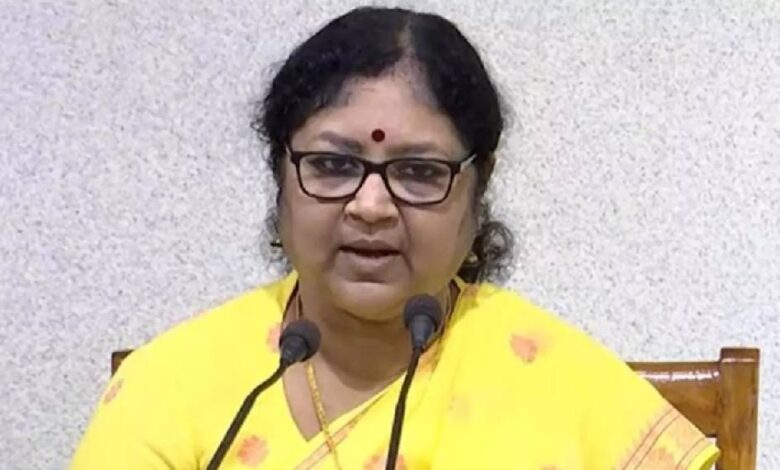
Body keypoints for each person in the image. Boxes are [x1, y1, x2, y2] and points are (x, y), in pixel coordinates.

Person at [72, 6, 719, 469]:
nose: (371, 206)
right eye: (333, 165)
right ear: (280, 174)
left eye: (418, 171)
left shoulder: (561, 387)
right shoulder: (174, 385)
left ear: (479, 185)